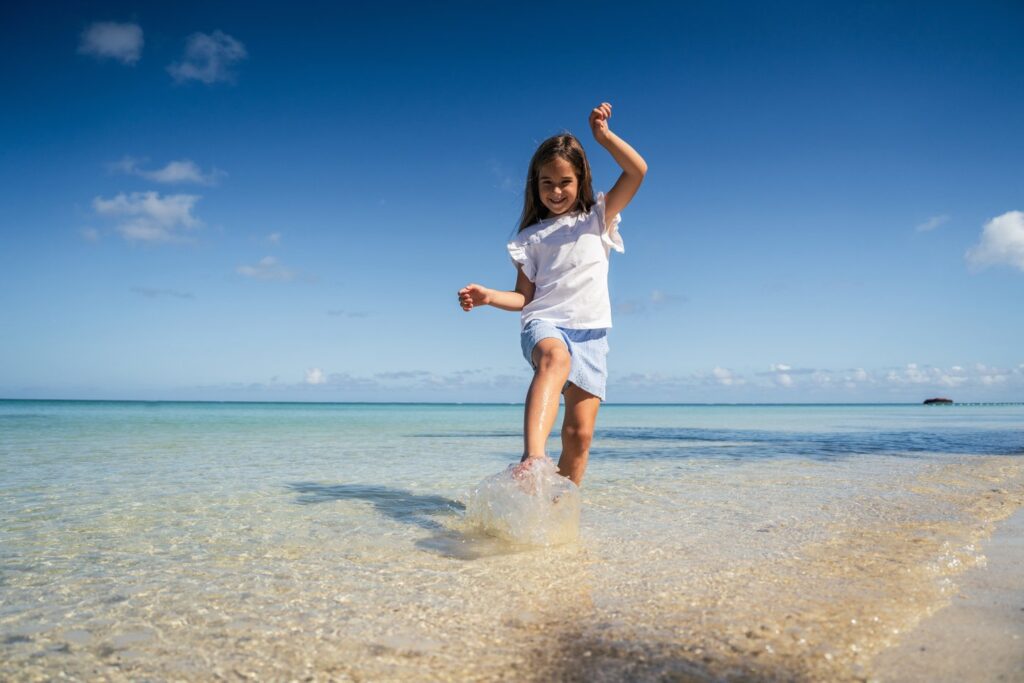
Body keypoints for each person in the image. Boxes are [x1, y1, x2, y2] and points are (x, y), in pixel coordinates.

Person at [458, 102, 647, 486]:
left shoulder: (598, 217)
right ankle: (533, 456)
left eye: (565, 182)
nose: (556, 190)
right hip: (544, 325)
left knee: (579, 437)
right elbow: (524, 299)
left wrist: (604, 137)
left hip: (591, 335)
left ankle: (561, 513)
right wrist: (490, 296)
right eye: (547, 183)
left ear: (580, 181)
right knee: (554, 357)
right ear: (536, 185)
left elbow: (637, 170)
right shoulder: (529, 239)